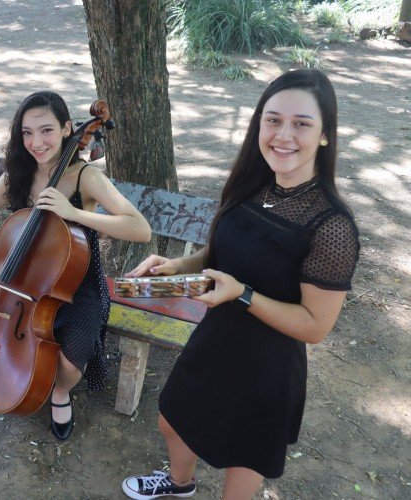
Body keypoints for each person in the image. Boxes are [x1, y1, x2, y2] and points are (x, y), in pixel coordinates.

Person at [121, 69, 360, 499]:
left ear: (325, 134)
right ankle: (179, 483)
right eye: (273, 120)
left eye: (302, 123)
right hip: (217, 337)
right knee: (171, 419)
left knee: (242, 463)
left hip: (268, 366)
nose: (283, 135)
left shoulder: (332, 225)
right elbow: (222, 254)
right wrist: (175, 265)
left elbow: (315, 326)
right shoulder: (253, 186)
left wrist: (244, 295)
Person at [0, 91, 152, 440]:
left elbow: (140, 229)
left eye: (47, 130)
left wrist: (74, 213)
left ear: (68, 129)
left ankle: (59, 393)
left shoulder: (85, 178)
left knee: (68, 366)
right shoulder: (17, 173)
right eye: (27, 132)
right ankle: (0, 378)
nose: (36, 142)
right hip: (19, 282)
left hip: (74, 285)